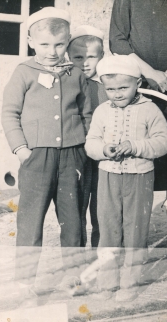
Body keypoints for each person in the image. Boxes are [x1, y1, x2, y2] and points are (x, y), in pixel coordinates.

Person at [1, 7, 92, 303]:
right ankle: (24, 281)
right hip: (36, 158)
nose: (52, 51)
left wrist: (85, 148)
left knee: (74, 219)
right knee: (30, 222)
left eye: (59, 44)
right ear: (30, 41)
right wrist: (22, 149)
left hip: (72, 158)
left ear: (67, 43)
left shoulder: (76, 74)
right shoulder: (23, 72)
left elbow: (86, 113)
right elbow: (9, 113)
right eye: (44, 44)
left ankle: (73, 276)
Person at [85, 55, 167, 301]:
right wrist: (104, 150)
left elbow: (163, 142)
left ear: (138, 82)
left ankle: (130, 283)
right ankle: (107, 282)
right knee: (108, 229)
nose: (117, 94)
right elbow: (91, 143)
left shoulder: (149, 109)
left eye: (123, 87)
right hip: (108, 178)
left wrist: (134, 146)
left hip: (139, 178)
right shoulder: (102, 112)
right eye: (110, 89)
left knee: (135, 231)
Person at [109, 0, 167, 244]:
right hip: (143, 88)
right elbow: (118, 40)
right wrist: (150, 73)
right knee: (141, 163)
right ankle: (134, 241)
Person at [68, 25, 107, 247]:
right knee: (77, 205)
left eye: (92, 56)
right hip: (78, 153)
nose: (85, 62)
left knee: (102, 204)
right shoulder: (67, 84)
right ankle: (79, 253)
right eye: (78, 57)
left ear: (102, 56)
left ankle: (100, 250)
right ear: (68, 56)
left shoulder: (108, 85)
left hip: (102, 153)